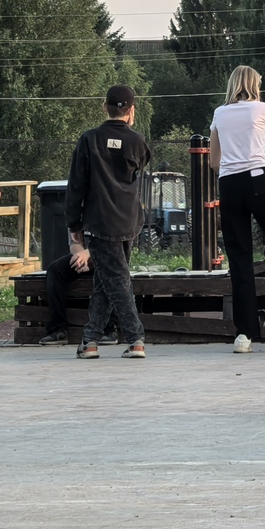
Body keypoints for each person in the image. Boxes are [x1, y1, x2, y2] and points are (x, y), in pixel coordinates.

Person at [208, 65, 265, 354]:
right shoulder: (264, 109)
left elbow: (213, 161)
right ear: (254, 84)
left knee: (239, 256)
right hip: (259, 180)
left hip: (230, 184)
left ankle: (244, 334)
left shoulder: (220, 113)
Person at [68, 86, 154, 360]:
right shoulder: (137, 141)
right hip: (128, 221)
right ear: (131, 110)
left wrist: (74, 225)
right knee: (106, 282)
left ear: (104, 107)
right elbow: (140, 163)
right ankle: (90, 339)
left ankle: (135, 337)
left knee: (116, 280)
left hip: (99, 221)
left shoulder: (89, 140)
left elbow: (77, 185)